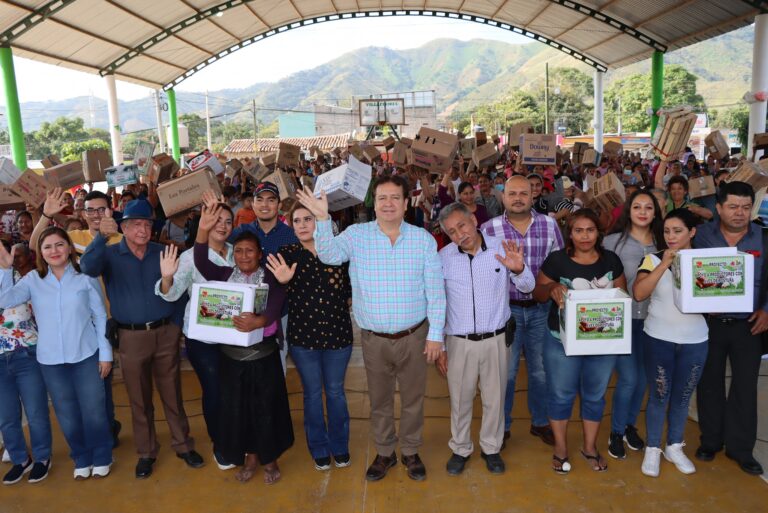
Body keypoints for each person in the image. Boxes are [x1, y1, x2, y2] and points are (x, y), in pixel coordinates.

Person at [296, 175, 446, 482]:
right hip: (374, 340)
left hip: (414, 336)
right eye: (381, 198)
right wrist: (322, 219)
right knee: (379, 399)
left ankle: (411, 450)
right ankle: (385, 452)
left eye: (394, 198)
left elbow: (436, 292)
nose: (388, 204)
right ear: (373, 204)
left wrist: (435, 336)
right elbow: (329, 254)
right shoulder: (356, 235)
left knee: (414, 398)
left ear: (406, 203)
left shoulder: (423, 240)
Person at [80, 199, 203, 479]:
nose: (143, 229)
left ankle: (183, 445)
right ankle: (146, 452)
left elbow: (182, 291)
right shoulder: (109, 254)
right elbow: (86, 267)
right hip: (131, 337)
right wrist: (100, 236)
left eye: (147, 223)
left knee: (172, 393)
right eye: (136, 224)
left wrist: (176, 325)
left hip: (164, 333)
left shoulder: (164, 252)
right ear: (123, 227)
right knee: (139, 399)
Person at [190, 203, 292, 485]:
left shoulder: (271, 275)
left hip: (264, 356)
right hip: (232, 360)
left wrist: (259, 322)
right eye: (239, 251)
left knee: (267, 409)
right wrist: (202, 230)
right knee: (239, 410)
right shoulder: (224, 275)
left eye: (249, 251)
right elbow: (200, 259)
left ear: (260, 254)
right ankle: (250, 457)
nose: (244, 255)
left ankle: (270, 459)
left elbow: (276, 304)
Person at [0, 227, 113, 480]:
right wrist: (6, 269)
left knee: (94, 409)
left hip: (86, 355)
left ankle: (102, 455)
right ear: (40, 252)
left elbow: (99, 316)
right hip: (50, 361)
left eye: (59, 244)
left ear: (69, 248)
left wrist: (106, 354)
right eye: (48, 247)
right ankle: (81, 458)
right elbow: (4, 300)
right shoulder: (33, 280)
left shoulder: (85, 276)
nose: (54, 251)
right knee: (67, 414)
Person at [436, 202, 534, 476]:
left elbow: (528, 287)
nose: (460, 234)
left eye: (462, 225)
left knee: (495, 397)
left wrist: (518, 269)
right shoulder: (443, 258)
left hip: (496, 340)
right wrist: (440, 345)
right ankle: (460, 447)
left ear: (474, 220)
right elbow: (437, 303)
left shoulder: (503, 249)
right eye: (452, 231)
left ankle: (492, 448)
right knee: (460, 398)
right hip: (459, 341)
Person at [533, 209, 627, 474]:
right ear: (569, 234)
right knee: (560, 394)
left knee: (595, 396)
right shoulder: (556, 261)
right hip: (560, 342)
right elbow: (538, 294)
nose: (585, 236)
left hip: (602, 342)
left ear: (599, 232)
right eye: (578, 230)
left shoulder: (611, 260)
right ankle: (561, 448)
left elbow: (623, 296)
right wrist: (551, 289)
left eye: (590, 230)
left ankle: (590, 447)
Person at [31, 189, 124, 447]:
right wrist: (46, 215)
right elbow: (35, 246)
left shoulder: (121, 240)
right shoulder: (72, 239)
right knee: (90, 386)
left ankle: (107, 427)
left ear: (111, 210)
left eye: (101, 209)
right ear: (83, 214)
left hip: (111, 319)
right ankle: (103, 431)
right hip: (79, 323)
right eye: (91, 210)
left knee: (103, 383)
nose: (96, 214)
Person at [265, 202, 353, 471]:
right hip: (304, 339)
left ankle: (339, 445)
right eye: (297, 220)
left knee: (336, 392)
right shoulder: (286, 254)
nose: (303, 225)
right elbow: (271, 292)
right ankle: (318, 446)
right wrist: (280, 281)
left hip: (338, 336)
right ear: (291, 225)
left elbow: (349, 292)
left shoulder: (339, 252)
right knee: (313, 394)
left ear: (320, 223)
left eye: (308, 219)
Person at [481, 175, 563, 447]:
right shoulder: (489, 229)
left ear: (533, 195)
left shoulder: (550, 226)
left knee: (541, 371)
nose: (518, 198)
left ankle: (540, 422)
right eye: (512, 193)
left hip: (542, 309)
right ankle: (501, 426)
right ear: (503, 197)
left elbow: (560, 264)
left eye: (524, 193)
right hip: (506, 313)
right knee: (506, 372)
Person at [156, 194, 235, 471]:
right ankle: (221, 444)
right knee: (214, 391)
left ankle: (237, 437)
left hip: (234, 337)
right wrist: (167, 277)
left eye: (227, 221)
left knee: (234, 391)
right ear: (204, 222)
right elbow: (171, 294)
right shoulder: (190, 257)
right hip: (202, 339)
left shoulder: (238, 253)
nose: (222, 225)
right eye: (216, 220)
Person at [694, 181, 767, 475]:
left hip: (749, 325)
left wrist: (766, 311)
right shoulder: (699, 236)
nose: (740, 213)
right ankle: (710, 441)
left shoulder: (763, 238)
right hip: (709, 325)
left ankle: (741, 449)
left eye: (746, 207)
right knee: (709, 384)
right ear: (719, 208)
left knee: (745, 387)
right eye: (733, 207)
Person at [633, 208, 708, 477]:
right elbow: (639, 293)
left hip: (696, 339)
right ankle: (653, 447)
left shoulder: (705, 260)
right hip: (659, 339)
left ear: (692, 232)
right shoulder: (652, 259)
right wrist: (665, 263)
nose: (671, 236)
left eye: (677, 231)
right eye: (666, 231)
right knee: (659, 396)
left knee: (683, 397)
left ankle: (675, 445)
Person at [603, 190, 664, 459]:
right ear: (628, 211)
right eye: (637, 206)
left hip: (654, 321)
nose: (642, 212)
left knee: (643, 381)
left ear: (655, 212)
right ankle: (616, 431)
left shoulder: (664, 243)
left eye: (648, 207)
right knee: (628, 379)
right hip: (622, 321)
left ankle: (629, 426)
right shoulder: (611, 242)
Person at [229, 182, 299, 371]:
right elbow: (217, 249)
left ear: (279, 205)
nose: (265, 205)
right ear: (253, 204)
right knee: (244, 364)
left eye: (271, 200)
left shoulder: (291, 236)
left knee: (277, 364)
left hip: (280, 312)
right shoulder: (242, 232)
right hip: (244, 312)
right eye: (259, 200)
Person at [0, 241, 52, 485]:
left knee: (36, 412)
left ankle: (42, 458)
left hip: (26, 354)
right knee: (6, 416)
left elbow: (8, 300)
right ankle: (21, 459)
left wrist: (5, 270)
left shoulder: (29, 279)